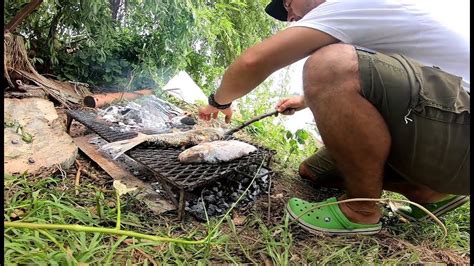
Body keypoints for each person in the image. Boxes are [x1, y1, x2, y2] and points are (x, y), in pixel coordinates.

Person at [198, 0, 470, 235]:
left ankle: (360, 211)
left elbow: (254, 61)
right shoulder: (364, 21)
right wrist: (304, 100)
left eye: (287, 5)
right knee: (312, 172)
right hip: (446, 138)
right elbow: (386, 74)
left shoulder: (347, 4)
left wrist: (218, 102)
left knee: (325, 63)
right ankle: (426, 193)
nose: (290, 17)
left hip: (460, 128)